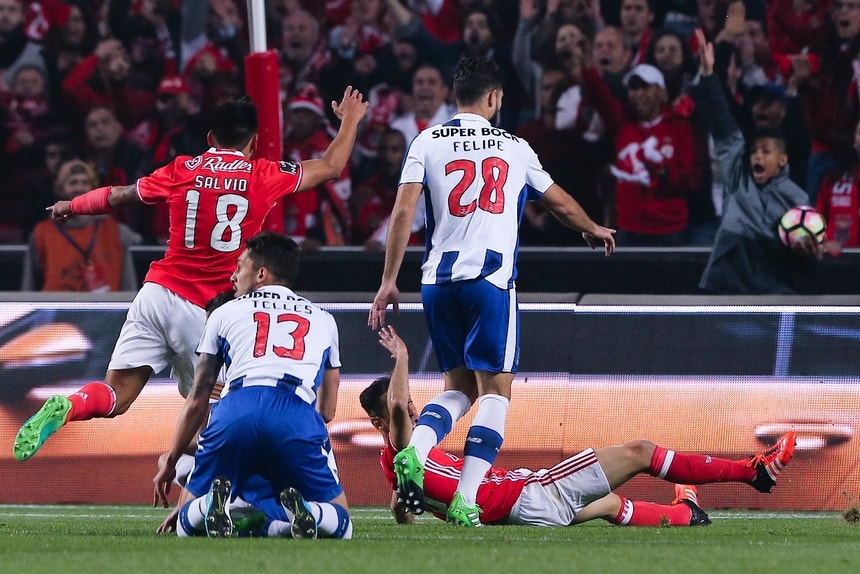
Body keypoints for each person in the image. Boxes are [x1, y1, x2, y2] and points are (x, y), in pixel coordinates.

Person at [13, 88, 369, 462]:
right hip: (204, 310)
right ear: (254, 142)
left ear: (211, 139)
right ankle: (213, 500)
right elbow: (330, 166)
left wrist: (73, 205)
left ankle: (69, 406)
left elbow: (119, 195)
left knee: (115, 394)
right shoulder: (264, 173)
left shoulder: (182, 169)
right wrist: (349, 120)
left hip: (155, 293)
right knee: (220, 413)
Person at [367, 56, 616, 527]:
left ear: (455, 95)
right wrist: (590, 227)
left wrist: (387, 280)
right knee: (496, 392)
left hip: (437, 282)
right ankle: (465, 498)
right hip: (491, 281)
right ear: (495, 98)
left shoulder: (426, 140)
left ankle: (416, 450)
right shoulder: (514, 147)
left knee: (458, 386)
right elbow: (558, 201)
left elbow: (403, 213)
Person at [361, 325, 797, 527]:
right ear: (381, 422)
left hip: (520, 515)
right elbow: (399, 407)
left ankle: (686, 515)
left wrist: (403, 507)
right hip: (529, 494)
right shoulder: (404, 451)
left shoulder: (400, 471)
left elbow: (403, 514)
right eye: (403, 411)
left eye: (419, 407)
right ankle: (752, 472)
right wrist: (401, 357)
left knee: (608, 504)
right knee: (640, 452)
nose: (417, 414)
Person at [153, 232, 351, 540]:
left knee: (185, 527)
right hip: (294, 412)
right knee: (342, 524)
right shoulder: (324, 319)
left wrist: (173, 458)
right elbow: (326, 410)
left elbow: (198, 397)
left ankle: (207, 507)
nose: (233, 275)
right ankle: (306, 513)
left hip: (236, 409)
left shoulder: (225, 312)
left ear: (261, 273)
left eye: (240, 266)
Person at [692, 29, 822, 295]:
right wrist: (708, 75)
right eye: (754, 152)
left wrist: (811, 254)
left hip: (775, 292)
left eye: (766, 151)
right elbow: (722, 121)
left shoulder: (797, 198)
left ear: (782, 159)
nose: (757, 156)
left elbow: (807, 255)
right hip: (725, 287)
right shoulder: (739, 174)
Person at [21, 158, 141, 291]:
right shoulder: (41, 233)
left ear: (93, 188)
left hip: (105, 310)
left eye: (85, 183)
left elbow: (128, 283)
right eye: (73, 183)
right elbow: (29, 285)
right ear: (60, 188)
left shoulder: (116, 231)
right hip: (56, 309)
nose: (79, 188)